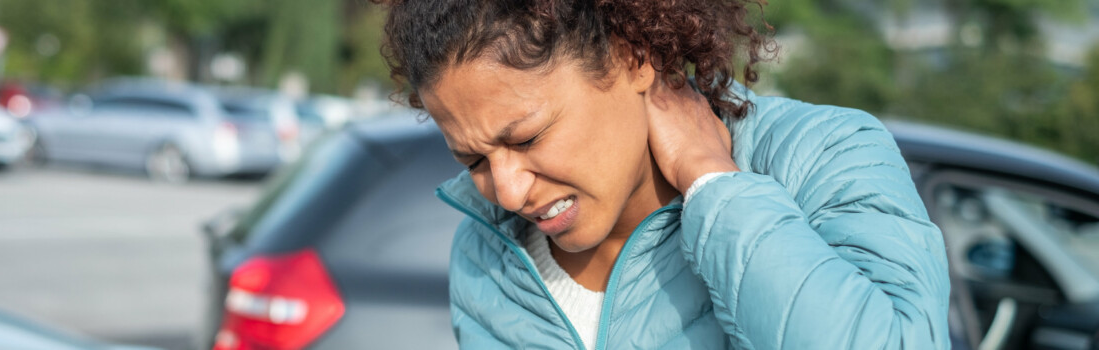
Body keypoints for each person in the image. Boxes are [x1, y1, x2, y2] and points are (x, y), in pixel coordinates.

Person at [374, 0, 951, 348]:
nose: (507, 190)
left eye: (525, 138)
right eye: (472, 160)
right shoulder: (487, 251)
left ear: (634, 56)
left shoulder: (823, 154)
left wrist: (713, 185)